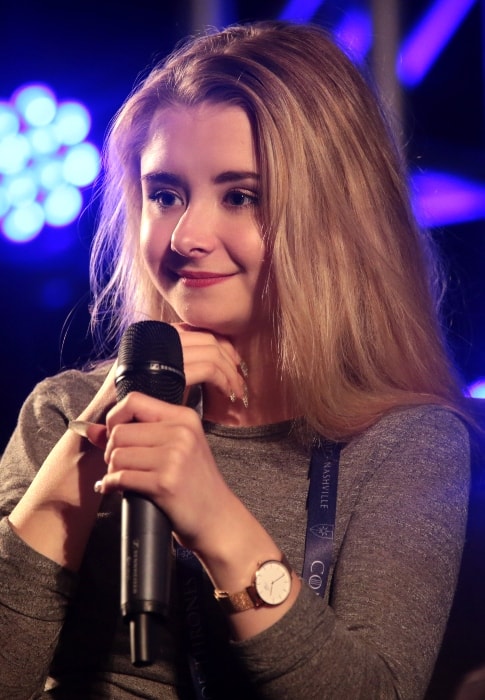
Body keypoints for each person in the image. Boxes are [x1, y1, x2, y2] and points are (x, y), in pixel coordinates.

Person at [0, 20, 470, 700]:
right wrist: (82, 458)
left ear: (333, 218)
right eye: (164, 195)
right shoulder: (66, 413)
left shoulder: (407, 443)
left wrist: (215, 516)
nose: (188, 235)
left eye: (240, 196)